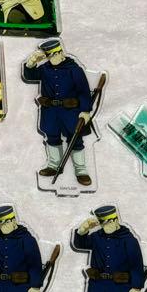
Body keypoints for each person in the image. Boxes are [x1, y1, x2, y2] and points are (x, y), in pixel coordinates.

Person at [22, 38, 94, 185]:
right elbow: (30, 76)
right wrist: (31, 63)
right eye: (49, 56)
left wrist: (86, 111)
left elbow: (84, 91)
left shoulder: (74, 70)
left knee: (75, 139)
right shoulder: (45, 69)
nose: (53, 58)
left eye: (55, 54)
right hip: (50, 111)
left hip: (71, 112)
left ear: (60, 52)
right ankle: (53, 165)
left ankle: (81, 170)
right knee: (52, 137)